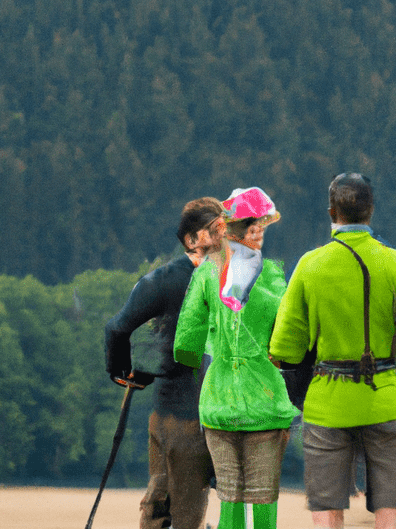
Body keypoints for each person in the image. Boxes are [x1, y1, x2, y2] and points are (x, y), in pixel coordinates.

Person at [269, 172, 396, 529]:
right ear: (371, 211)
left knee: (326, 511)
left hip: (326, 405)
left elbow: (284, 349)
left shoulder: (309, 265)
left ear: (330, 212)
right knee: (389, 510)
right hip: (383, 399)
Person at [173, 187, 298, 529]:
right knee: (263, 498)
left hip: (218, 403)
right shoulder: (272, 275)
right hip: (266, 403)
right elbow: (288, 336)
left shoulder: (205, 274)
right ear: (255, 229)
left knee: (229, 497)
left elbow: (185, 344)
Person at [105, 196, 226, 529]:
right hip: (195, 419)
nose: (222, 235)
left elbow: (117, 328)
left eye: (224, 228)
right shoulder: (227, 279)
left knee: (158, 509)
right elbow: (116, 328)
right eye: (215, 229)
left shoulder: (161, 280)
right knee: (187, 517)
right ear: (191, 239)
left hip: (167, 414)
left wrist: (123, 374)